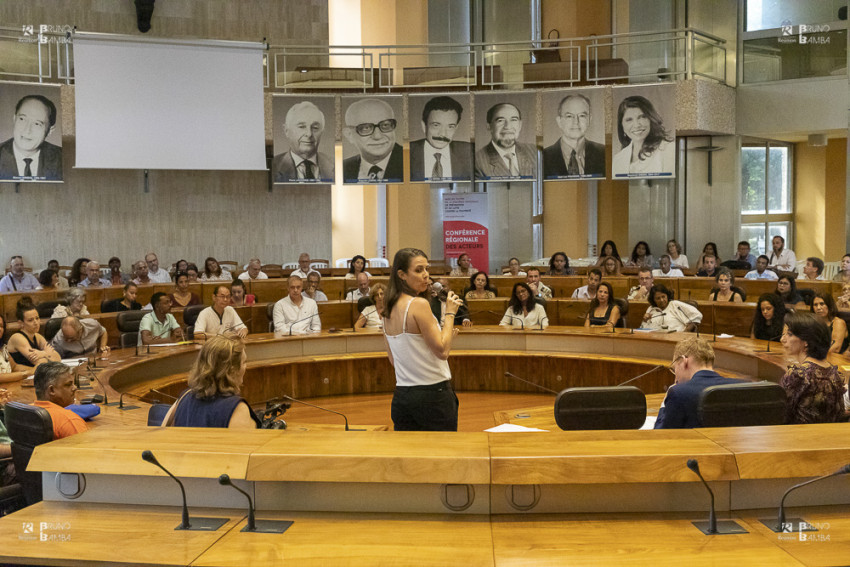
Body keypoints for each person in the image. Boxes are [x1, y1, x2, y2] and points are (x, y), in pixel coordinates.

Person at [382, 248, 463, 431]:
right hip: (433, 395)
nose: (426, 275)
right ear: (402, 274)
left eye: (427, 269)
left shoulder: (387, 309)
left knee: (410, 457)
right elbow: (442, 351)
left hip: (403, 396)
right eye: (419, 270)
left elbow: (394, 359)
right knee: (443, 456)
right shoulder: (419, 304)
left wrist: (446, 335)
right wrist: (450, 312)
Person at [161, 335, 261, 429]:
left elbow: (164, 433)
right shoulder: (237, 409)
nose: (246, 367)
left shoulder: (184, 398)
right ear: (232, 370)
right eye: (244, 362)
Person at [654, 337, 746, 429]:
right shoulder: (742, 387)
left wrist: (664, 405)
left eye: (674, 369)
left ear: (683, 361)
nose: (676, 380)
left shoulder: (678, 393)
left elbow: (661, 435)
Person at [780, 312, 844, 424]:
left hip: (798, 438)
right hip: (829, 438)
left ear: (806, 342)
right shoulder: (835, 374)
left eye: (789, 334)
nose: (782, 339)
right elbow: (840, 414)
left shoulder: (798, 376)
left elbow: (780, 416)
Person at [409, 95, 473, 182]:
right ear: (424, 126)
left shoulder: (469, 152)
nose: (443, 134)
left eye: (450, 126)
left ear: (456, 128)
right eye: (436, 125)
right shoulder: (406, 152)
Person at [0, 94, 62, 181]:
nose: (27, 130)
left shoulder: (63, 158)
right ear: (14, 119)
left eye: (37, 124)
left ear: (50, 130)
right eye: (22, 119)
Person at [543, 93, 605, 178]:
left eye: (582, 116)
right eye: (569, 116)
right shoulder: (543, 157)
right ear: (559, 121)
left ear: (589, 120)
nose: (576, 122)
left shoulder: (604, 153)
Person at [342, 98, 403, 183]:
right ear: (349, 135)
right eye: (366, 128)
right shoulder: (342, 169)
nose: (377, 136)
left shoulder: (414, 163)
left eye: (385, 125)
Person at [272, 101, 334, 183]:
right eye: (302, 127)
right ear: (286, 131)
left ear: (322, 131)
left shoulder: (336, 164)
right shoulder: (272, 166)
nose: (309, 134)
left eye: (315, 128)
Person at [612, 95, 674, 176]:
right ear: (622, 126)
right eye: (629, 120)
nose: (637, 125)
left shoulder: (669, 149)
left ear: (651, 119)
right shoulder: (617, 159)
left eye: (642, 117)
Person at [474, 102, 536, 179]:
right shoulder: (477, 162)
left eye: (513, 120)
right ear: (489, 126)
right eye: (500, 120)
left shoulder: (534, 151)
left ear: (520, 125)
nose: (508, 126)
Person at [31, 362, 88, 439]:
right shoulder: (69, 421)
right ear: (52, 390)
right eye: (68, 384)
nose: (75, 388)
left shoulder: (25, 412)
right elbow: (87, 450)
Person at [7, 299, 59, 369]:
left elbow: (58, 358)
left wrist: (43, 353)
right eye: (30, 320)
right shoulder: (17, 338)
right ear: (21, 323)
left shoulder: (38, 336)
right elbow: (40, 364)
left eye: (37, 318)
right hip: (20, 376)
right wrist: (47, 353)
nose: (36, 323)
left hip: (34, 374)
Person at [0, 314, 28, 383]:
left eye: (1, 326)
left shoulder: (2, 347)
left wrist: (36, 369)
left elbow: (14, 367)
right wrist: (25, 374)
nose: (0, 329)